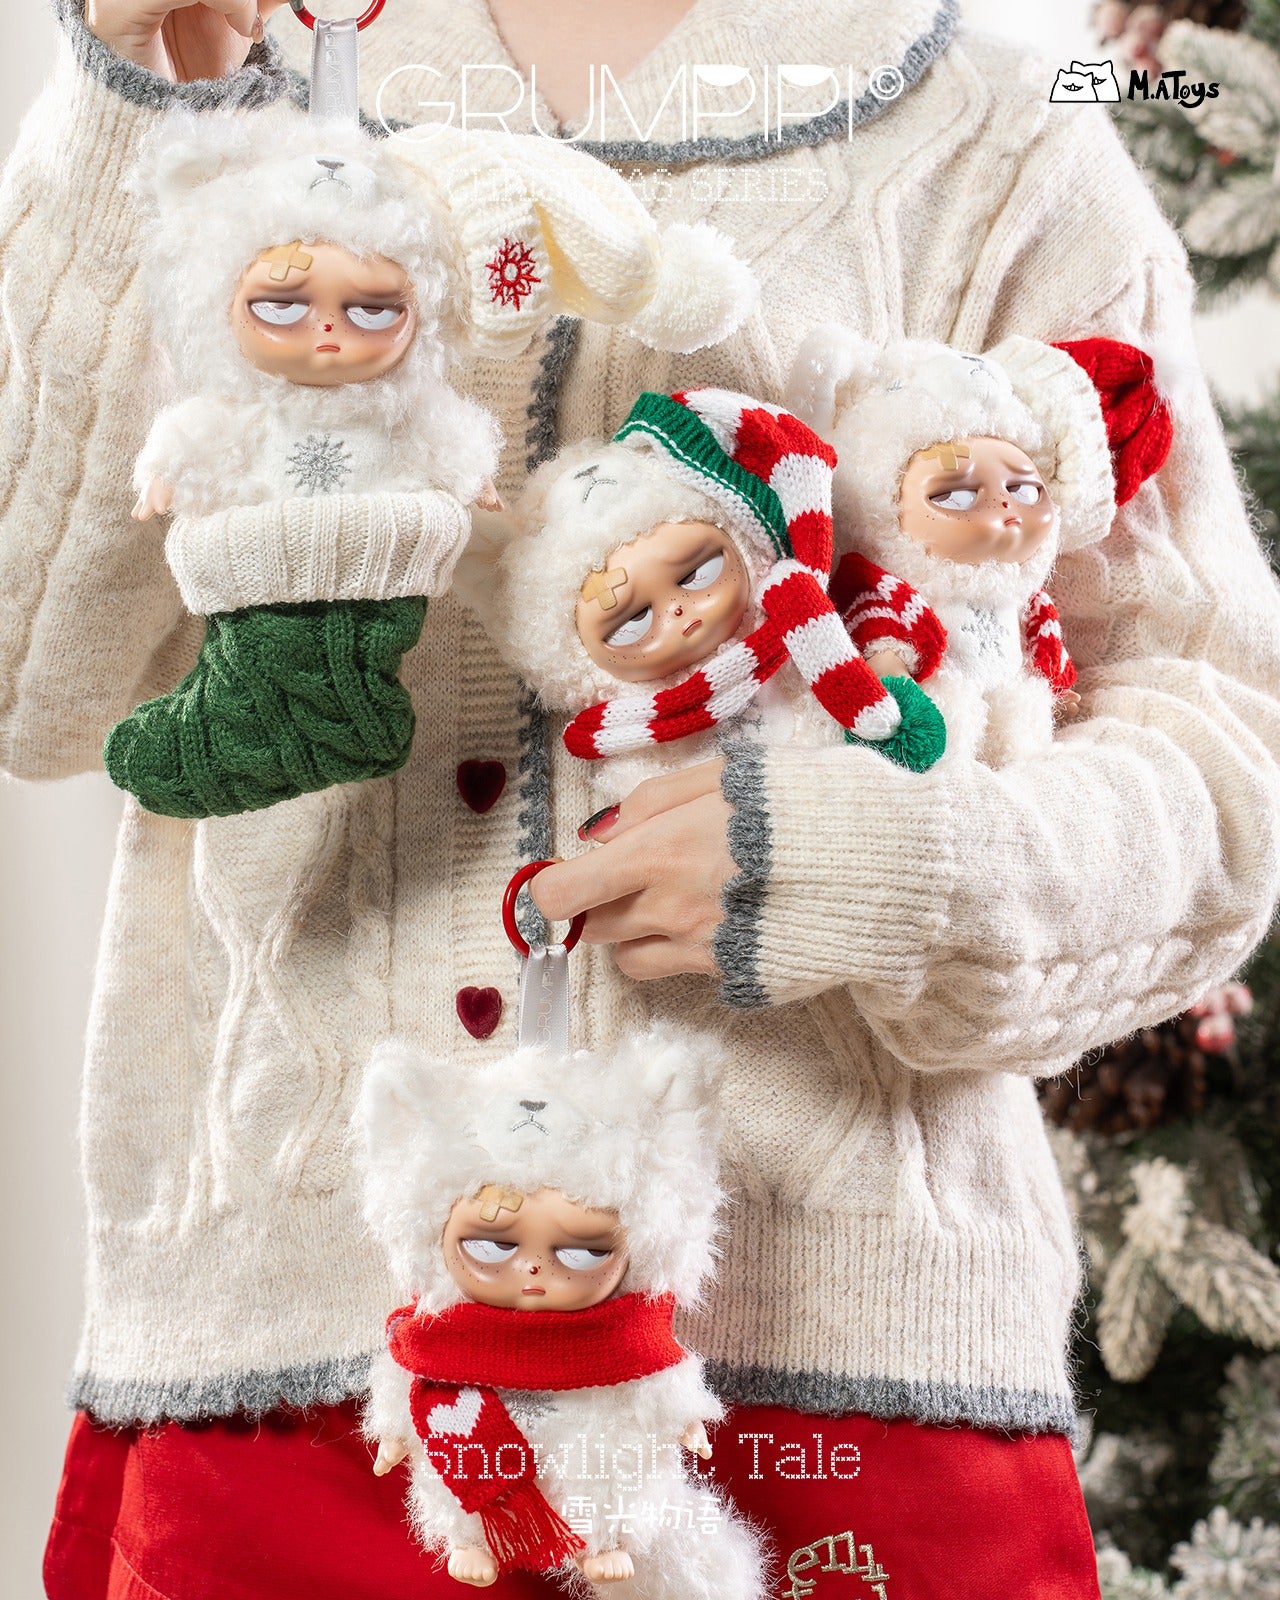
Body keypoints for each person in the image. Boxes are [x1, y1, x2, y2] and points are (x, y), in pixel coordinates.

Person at [6, 1, 1280, 1596]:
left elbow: (1224, 752)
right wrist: (131, 92)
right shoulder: (223, 76)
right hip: (287, 1370)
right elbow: (27, 673)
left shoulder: (997, 133)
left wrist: (890, 866)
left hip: (850, 1370)